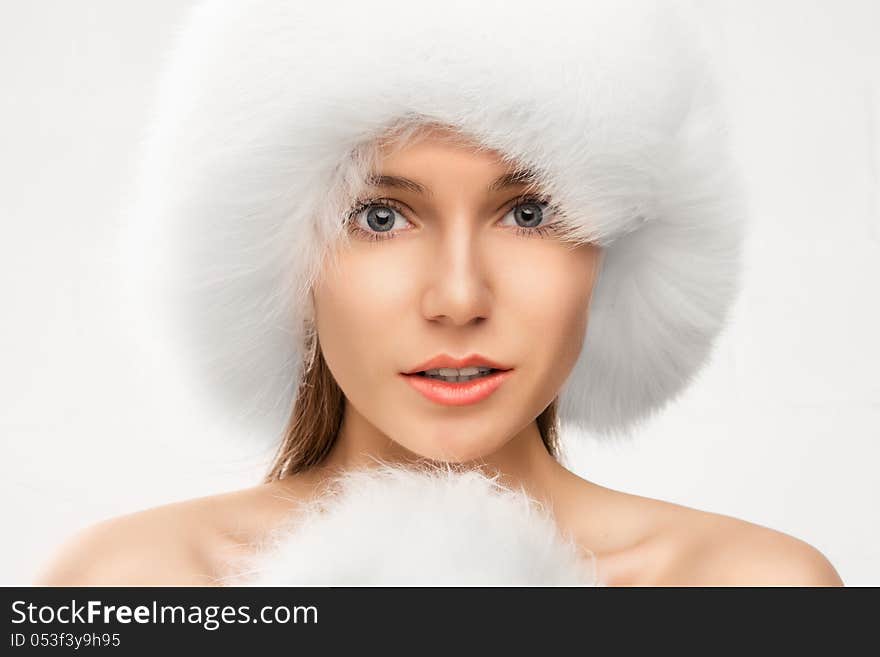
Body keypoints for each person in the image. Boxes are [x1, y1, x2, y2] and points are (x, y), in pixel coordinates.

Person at [36, 0, 842, 586]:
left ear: (616, 249)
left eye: (530, 213)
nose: (458, 297)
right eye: (381, 215)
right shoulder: (127, 587)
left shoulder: (751, 587)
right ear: (278, 256)